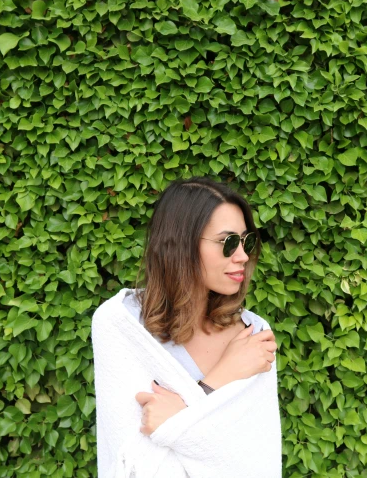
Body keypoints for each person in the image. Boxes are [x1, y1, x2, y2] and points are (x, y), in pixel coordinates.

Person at [91, 177, 282, 477]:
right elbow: (133, 464)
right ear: (180, 244)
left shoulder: (254, 335)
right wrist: (219, 379)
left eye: (247, 241)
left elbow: (255, 464)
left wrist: (176, 421)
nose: (243, 256)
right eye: (228, 242)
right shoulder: (121, 325)